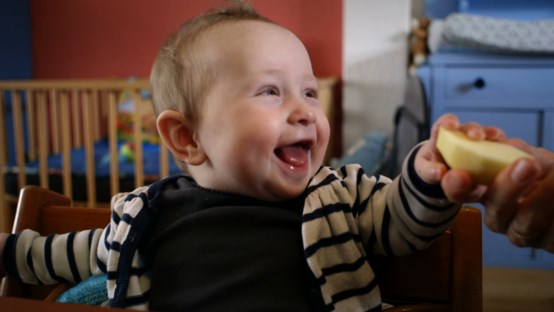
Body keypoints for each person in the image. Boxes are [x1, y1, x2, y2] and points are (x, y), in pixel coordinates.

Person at [0, 1, 517, 311]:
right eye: (271, 92)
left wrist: (425, 179)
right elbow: (60, 254)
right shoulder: (145, 217)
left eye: (310, 93)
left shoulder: (338, 196)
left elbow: (402, 223)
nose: (304, 111)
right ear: (187, 138)